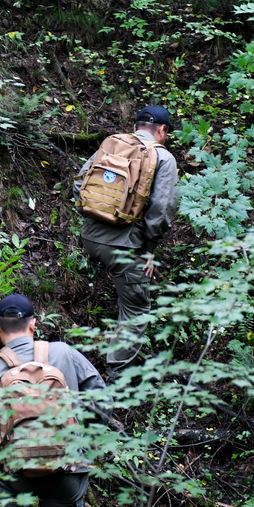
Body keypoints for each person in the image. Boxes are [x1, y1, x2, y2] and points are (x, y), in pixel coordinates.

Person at [0, 294, 107, 507]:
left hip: (16, 471)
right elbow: (100, 398)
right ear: (33, 324)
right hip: (68, 467)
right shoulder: (65, 353)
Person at [73, 106, 179, 374]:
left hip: (89, 237)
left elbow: (79, 184)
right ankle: (116, 376)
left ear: (137, 125)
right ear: (162, 130)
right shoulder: (162, 157)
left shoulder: (113, 143)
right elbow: (161, 210)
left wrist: (94, 216)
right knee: (136, 309)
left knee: (125, 292)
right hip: (124, 246)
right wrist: (149, 249)